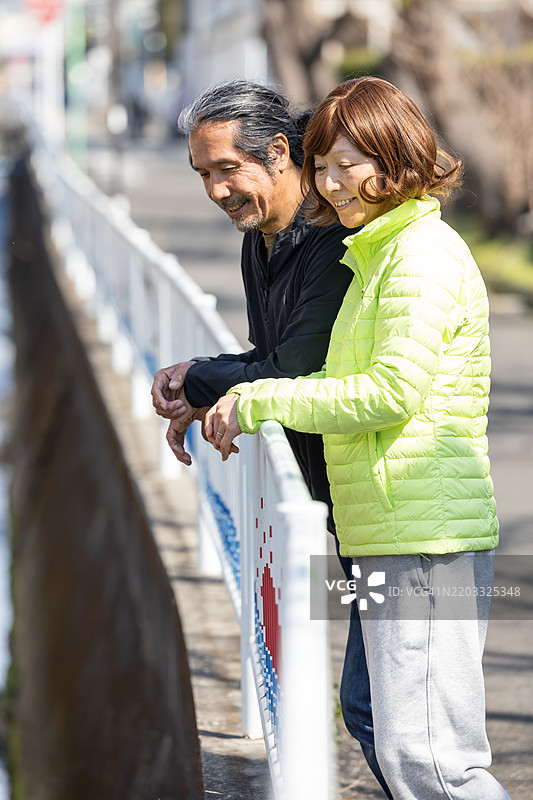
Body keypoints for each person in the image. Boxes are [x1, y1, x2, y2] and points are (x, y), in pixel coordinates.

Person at [204, 76, 511, 800]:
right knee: (393, 731)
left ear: (399, 158)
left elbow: (389, 392)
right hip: (391, 527)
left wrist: (253, 399)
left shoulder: (419, 257)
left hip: (422, 537)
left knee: (434, 762)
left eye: (351, 162)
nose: (332, 183)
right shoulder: (371, 254)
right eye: (321, 164)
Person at [150, 80, 393, 797]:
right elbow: (271, 361)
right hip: (356, 505)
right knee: (386, 713)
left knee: (382, 714)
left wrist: (201, 380)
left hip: (398, 505)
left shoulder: (327, 239)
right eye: (203, 175)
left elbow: (291, 366)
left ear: (280, 151)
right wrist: (217, 390)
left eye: (227, 169)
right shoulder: (265, 235)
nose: (216, 189)